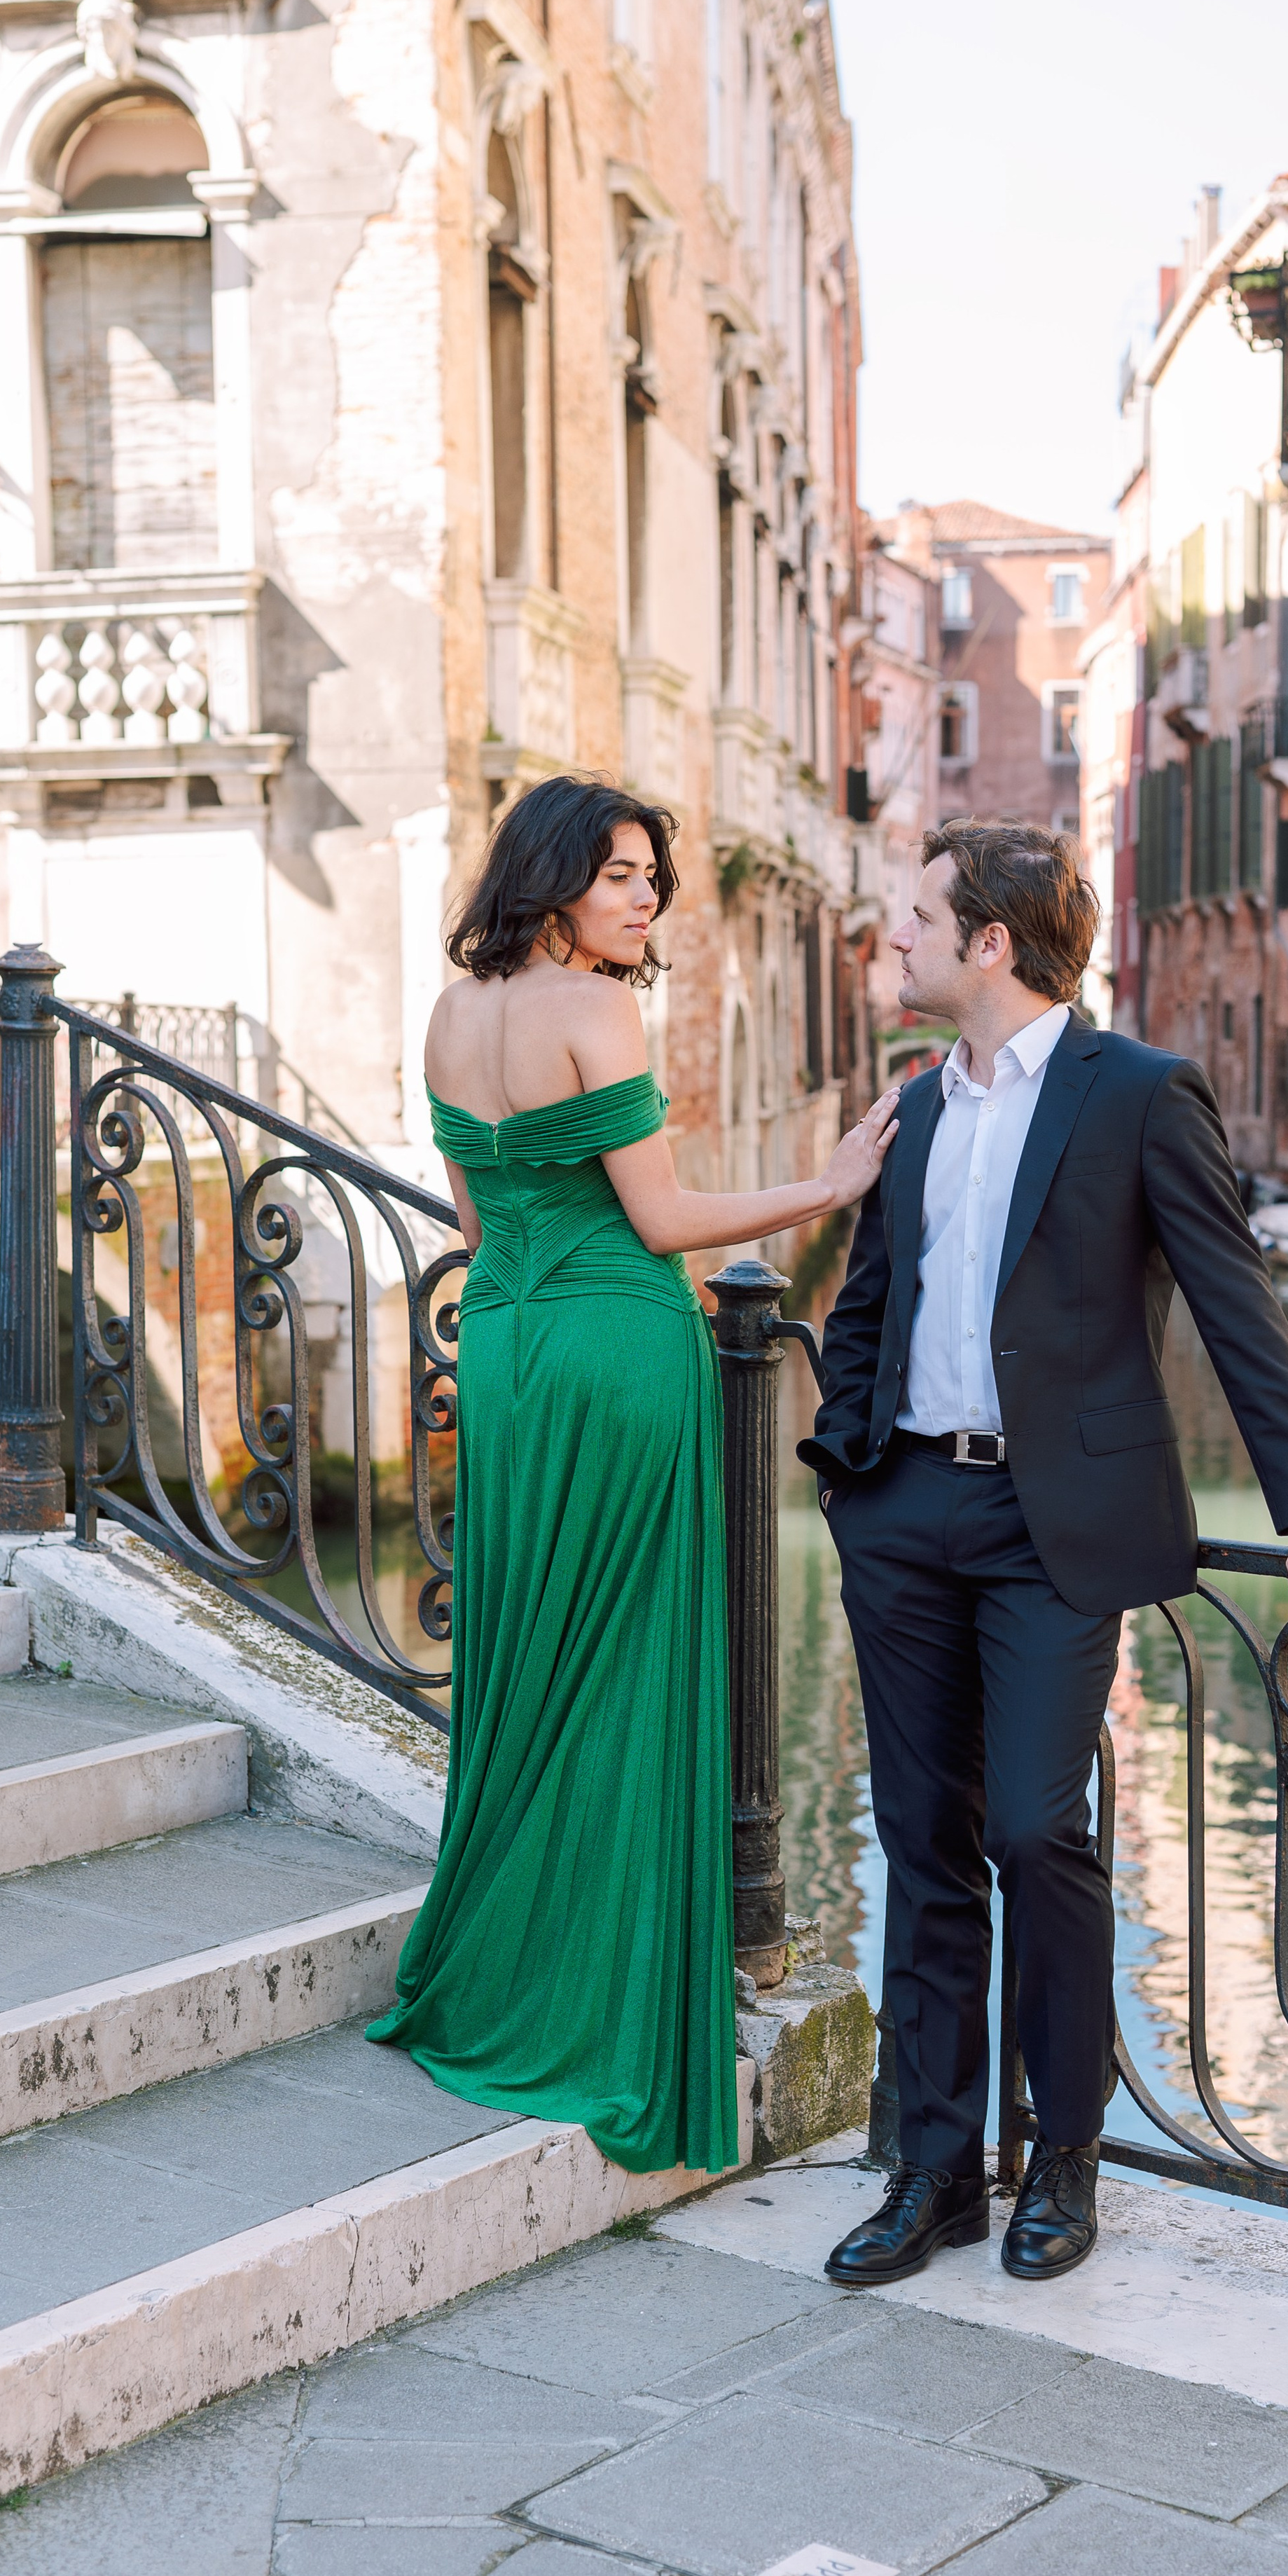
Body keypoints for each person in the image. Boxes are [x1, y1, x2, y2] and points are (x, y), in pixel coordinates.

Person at [801, 819, 1288, 2286]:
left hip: (1049, 1527)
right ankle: (934, 2171)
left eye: (918, 917)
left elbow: (1233, 1301)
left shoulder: (1137, 1092)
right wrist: (848, 1469)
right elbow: (871, 1299)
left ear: (990, 942)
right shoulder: (915, 1107)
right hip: (905, 1509)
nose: (895, 938)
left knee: (1035, 1828)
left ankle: (1062, 2161)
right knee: (920, 1842)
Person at [368, 774, 899, 2177]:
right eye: (619, 875)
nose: (645, 898)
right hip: (617, 1346)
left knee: (531, 1654)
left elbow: (480, 1221)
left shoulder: (451, 1012)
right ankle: (593, 1986)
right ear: (551, 878)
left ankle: (499, 1955)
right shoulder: (597, 1011)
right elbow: (660, 1217)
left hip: (504, 1349)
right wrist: (827, 1186)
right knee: (622, 1664)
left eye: (653, 877)